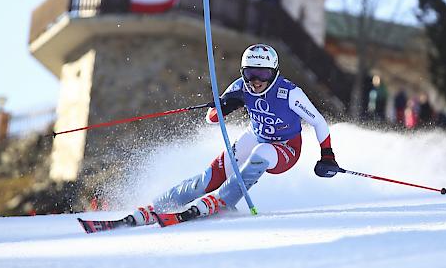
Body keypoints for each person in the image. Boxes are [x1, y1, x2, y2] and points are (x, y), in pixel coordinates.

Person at [130, 43, 340, 225]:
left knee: (263, 151)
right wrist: (226, 106)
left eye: (263, 74)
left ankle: (224, 201)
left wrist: (327, 155)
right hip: (255, 136)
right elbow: (211, 118)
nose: (256, 81)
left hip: (286, 148)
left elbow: (318, 122)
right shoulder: (240, 87)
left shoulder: (290, 93)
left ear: (274, 73)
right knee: (209, 179)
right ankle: (159, 206)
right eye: (250, 73)